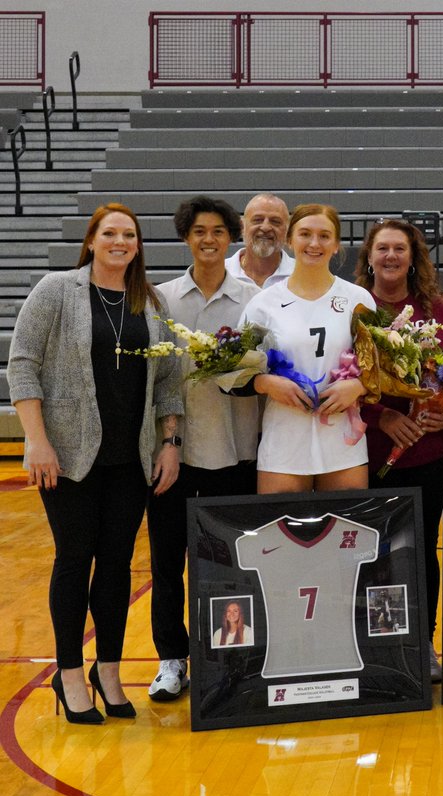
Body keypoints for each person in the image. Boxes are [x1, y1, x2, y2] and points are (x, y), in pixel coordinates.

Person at [9, 203, 183, 724]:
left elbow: (170, 380)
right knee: (73, 558)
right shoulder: (56, 291)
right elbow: (23, 365)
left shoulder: (149, 303)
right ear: (91, 241)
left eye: (129, 234)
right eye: (110, 233)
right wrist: (36, 441)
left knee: (116, 567)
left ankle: (107, 670)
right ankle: (67, 674)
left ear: (138, 245)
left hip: (129, 460)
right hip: (67, 456)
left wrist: (169, 442)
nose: (120, 241)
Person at [145, 196, 260, 702]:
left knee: (234, 564)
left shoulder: (254, 299)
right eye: (198, 231)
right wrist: (167, 439)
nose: (208, 239)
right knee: (167, 563)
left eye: (217, 231)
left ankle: (233, 658)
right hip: (176, 453)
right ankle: (172, 660)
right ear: (186, 237)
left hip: (239, 452)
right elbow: (159, 379)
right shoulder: (161, 299)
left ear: (231, 236)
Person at [356, 218, 443, 682]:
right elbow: (339, 378)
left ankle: (423, 644)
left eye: (399, 249)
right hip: (364, 452)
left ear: (413, 256)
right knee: (374, 552)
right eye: (382, 248)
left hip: (427, 453)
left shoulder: (439, 311)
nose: (390, 256)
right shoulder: (353, 308)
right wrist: (380, 416)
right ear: (368, 256)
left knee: (421, 550)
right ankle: (377, 643)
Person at [238, 203, 375, 493]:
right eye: (305, 234)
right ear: (289, 239)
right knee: (282, 534)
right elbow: (234, 372)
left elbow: (380, 366)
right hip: (284, 439)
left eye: (324, 236)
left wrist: (359, 386)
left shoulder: (358, 299)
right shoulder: (263, 303)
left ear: (336, 244)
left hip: (343, 438)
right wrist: (265, 383)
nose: (314, 243)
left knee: (346, 530)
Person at [225, 193, 293, 288]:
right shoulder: (220, 274)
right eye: (258, 220)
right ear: (242, 227)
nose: (265, 228)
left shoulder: (302, 275)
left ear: (287, 230)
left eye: (275, 222)